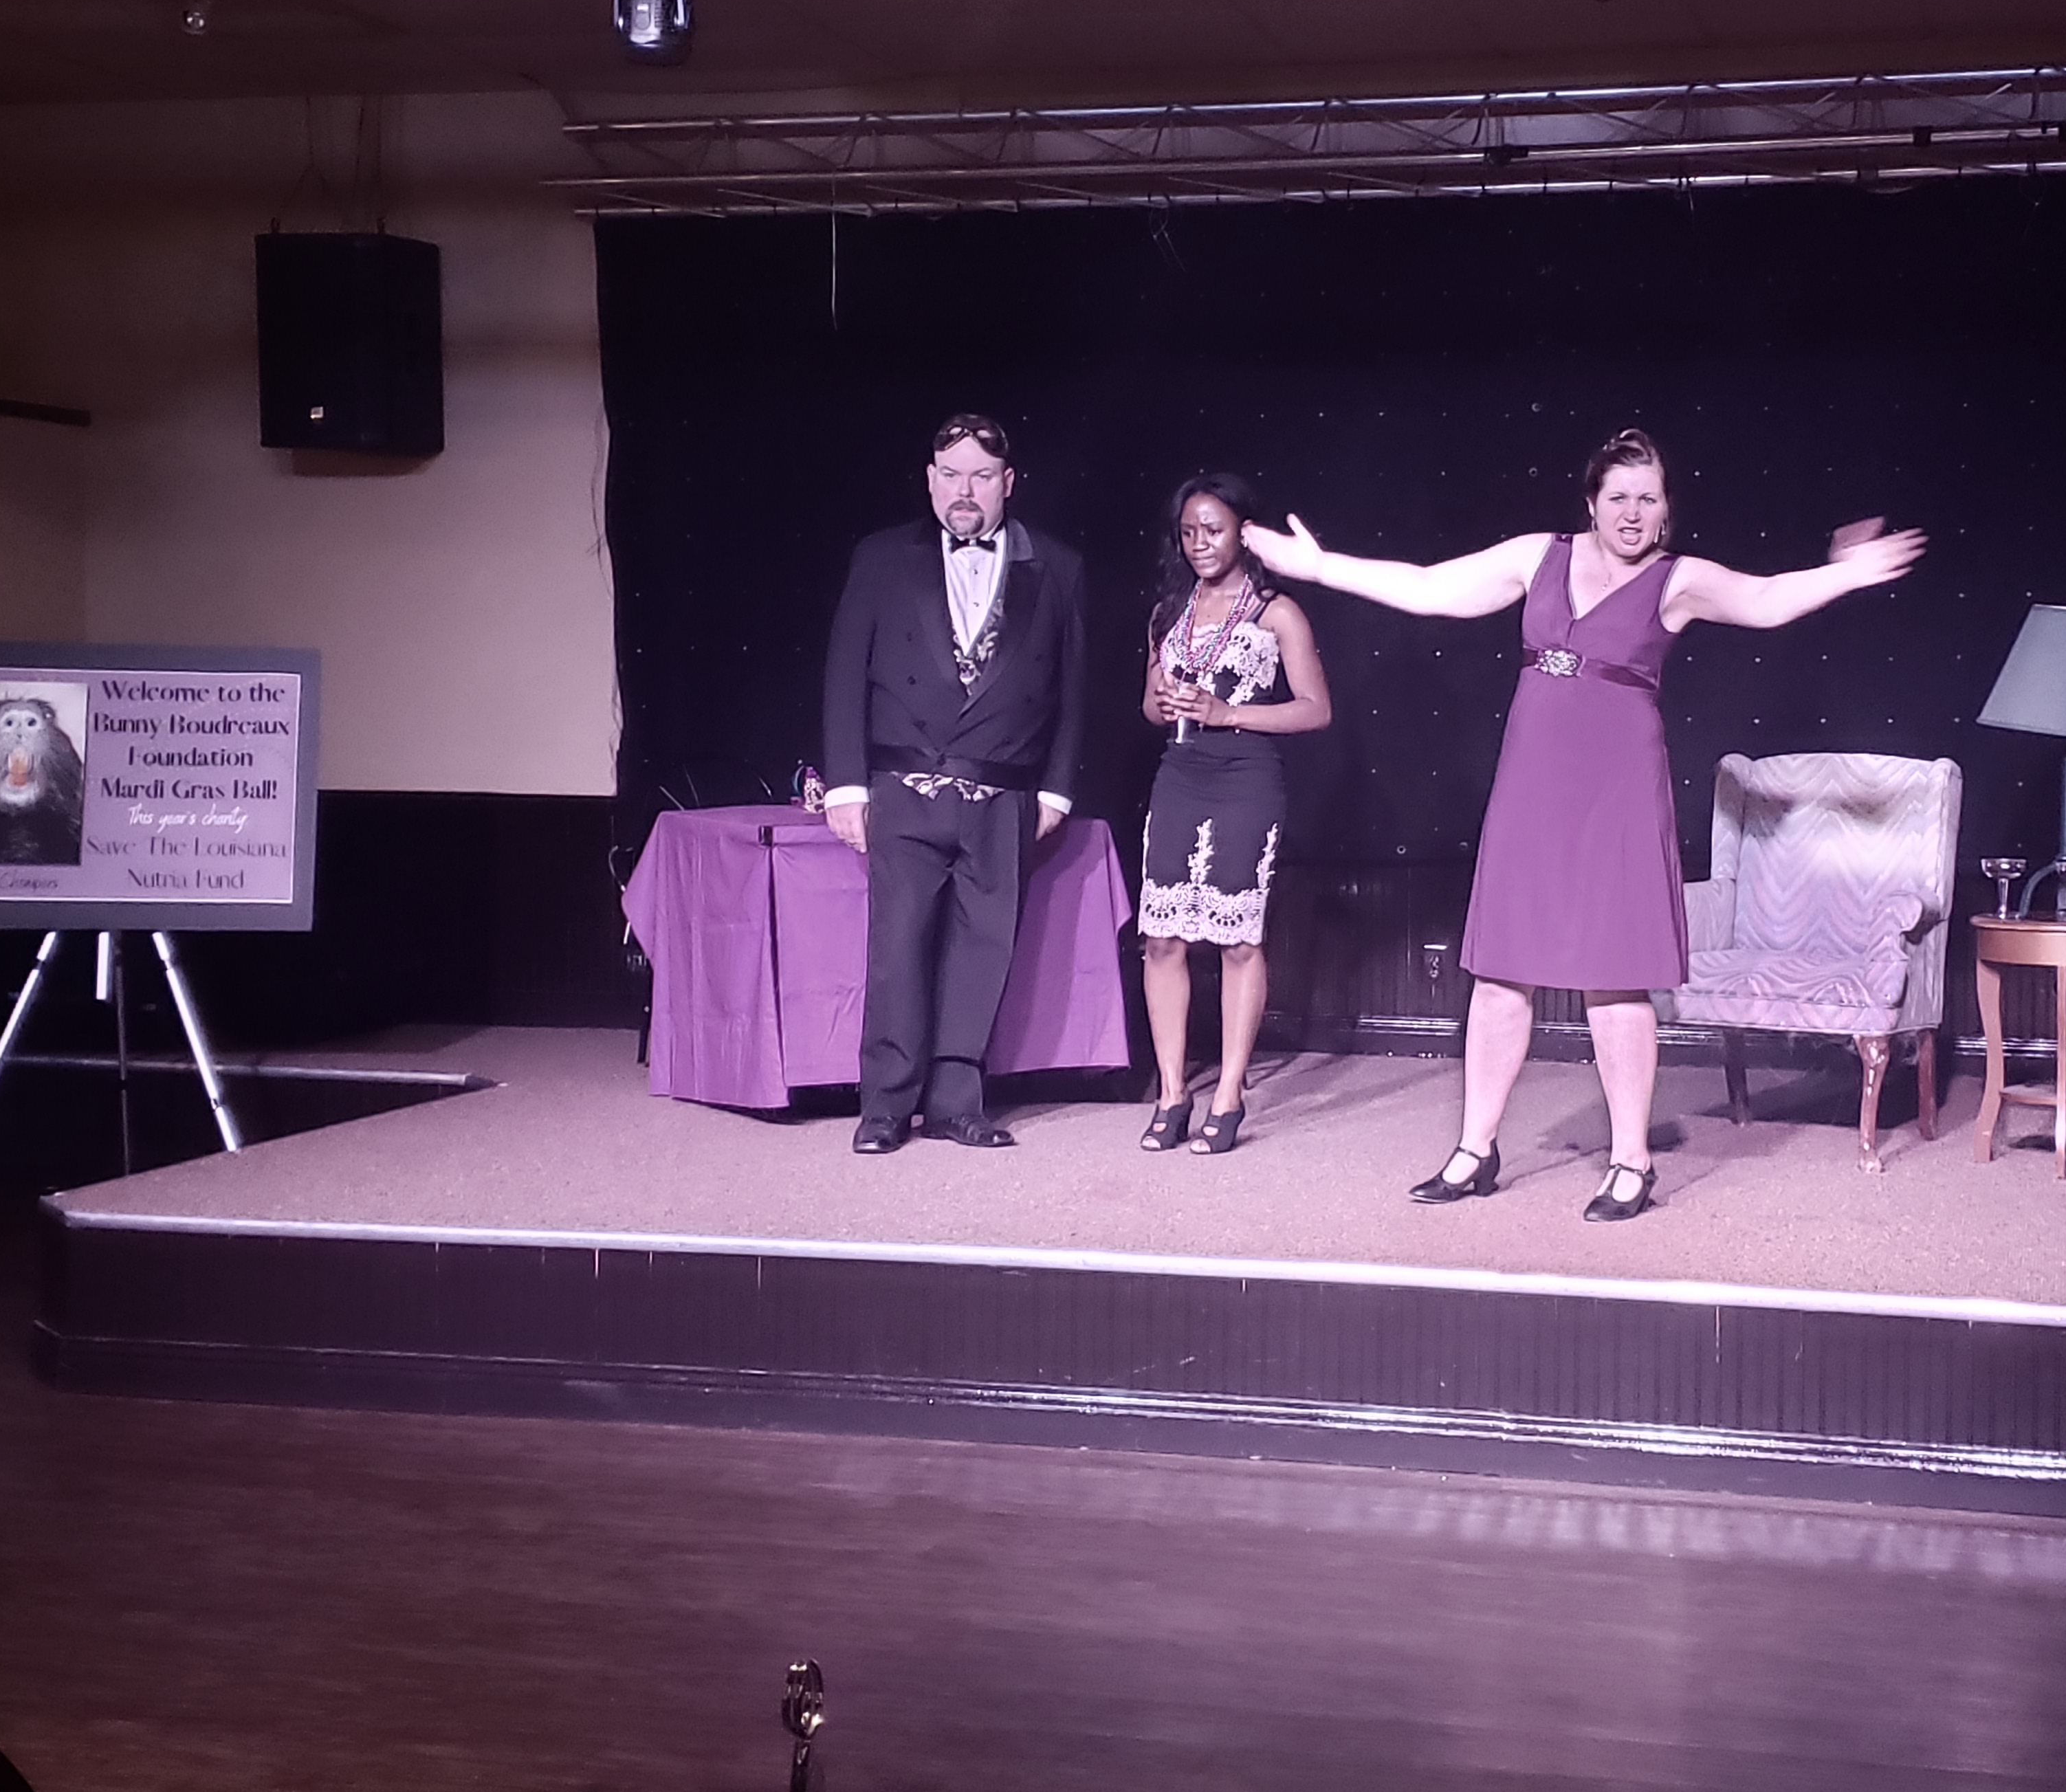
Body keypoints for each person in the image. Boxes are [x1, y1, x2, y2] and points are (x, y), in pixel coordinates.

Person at [1244, 428, 1923, 1220]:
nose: (1633, 513)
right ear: (1592, 503)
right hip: (1533, 778)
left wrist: (1846, 574)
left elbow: (1767, 601)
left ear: (1666, 511)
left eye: (1648, 499)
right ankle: (1475, 1150)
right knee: (1501, 971)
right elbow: (1431, 589)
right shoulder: (1540, 556)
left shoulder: (1678, 580)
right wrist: (1320, 567)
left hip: (1619, 785)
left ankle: (1632, 1161)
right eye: (1619, 497)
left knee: (1615, 974)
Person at [821, 414, 1086, 1153]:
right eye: (950, 475)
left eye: (981, 476)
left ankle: (955, 1104)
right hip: (903, 788)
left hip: (1003, 794)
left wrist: (1056, 790)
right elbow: (844, 672)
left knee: (983, 951)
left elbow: (1072, 690)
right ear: (930, 481)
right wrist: (845, 786)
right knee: (898, 950)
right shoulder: (882, 558)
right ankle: (884, 1106)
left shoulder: (1057, 566)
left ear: (1008, 483)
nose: (964, 490)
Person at [1137, 473, 1333, 1155]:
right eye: (1189, 532)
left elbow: (1316, 710)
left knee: (1237, 938)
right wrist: (1166, 702)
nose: (1200, 543)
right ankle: (1172, 1094)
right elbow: (1149, 706)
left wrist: (1227, 713)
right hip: (1179, 775)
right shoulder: (1170, 611)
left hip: (1247, 776)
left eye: (1213, 530)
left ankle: (1228, 1094)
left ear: (1244, 534)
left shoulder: (1277, 613)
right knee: (1163, 936)